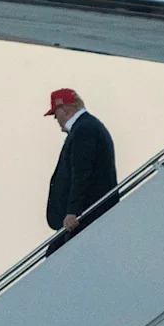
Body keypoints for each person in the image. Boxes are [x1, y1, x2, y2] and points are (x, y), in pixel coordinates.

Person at [43, 88, 118, 256]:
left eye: (56, 115)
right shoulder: (88, 126)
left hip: (85, 215)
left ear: (64, 110)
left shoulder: (84, 129)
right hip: (85, 213)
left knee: (58, 259)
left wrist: (73, 211)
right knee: (55, 253)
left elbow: (82, 173)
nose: (57, 121)